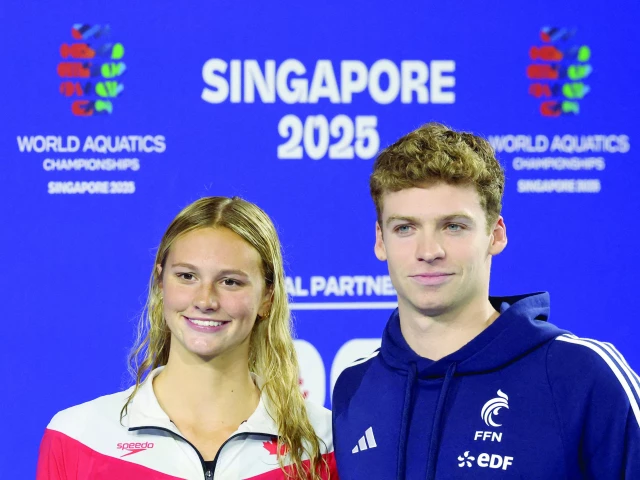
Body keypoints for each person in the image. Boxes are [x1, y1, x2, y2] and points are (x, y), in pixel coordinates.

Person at [331, 123, 640, 479]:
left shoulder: (582, 375)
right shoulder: (355, 387)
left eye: (454, 226)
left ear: (495, 235)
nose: (429, 251)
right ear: (381, 241)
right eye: (405, 228)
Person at [37, 196, 337, 479]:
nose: (205, 300)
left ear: (267, 297)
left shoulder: (324, 443)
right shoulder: (79, 437)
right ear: (160, 283)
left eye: (230, 281)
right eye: (187, 276)